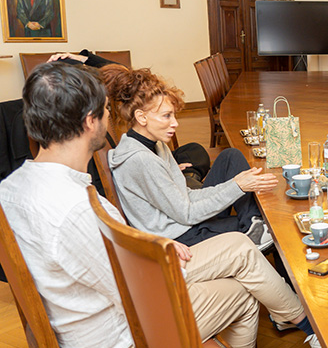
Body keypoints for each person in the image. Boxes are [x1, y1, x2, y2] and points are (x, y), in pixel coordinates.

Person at [0, 62, 313, 348]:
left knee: (237, 250)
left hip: (89, 324)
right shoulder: (75, 207)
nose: (111, 120)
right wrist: (162, 258)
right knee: (244, 293)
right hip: (118, 345)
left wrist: (153, 244)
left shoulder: (12, 188)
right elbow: (133, 289)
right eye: (107, 111)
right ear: (90, 121)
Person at [103, 67, 278, 250]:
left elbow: (187, 196)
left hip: (184, 219)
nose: (175, 123)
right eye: (166, 116)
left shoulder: (156, 144)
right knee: (273, 234)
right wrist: (238, 186)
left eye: (174, 115)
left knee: (230, 156)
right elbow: (187, 214)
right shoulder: (141, 160)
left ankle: (254, 224)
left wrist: (236, 184)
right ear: (141, 117)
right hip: (181, 236)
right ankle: (256, 227)